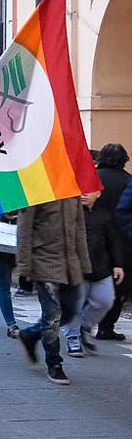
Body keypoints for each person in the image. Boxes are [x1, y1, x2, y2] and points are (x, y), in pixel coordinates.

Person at [16, 198, 91, 384]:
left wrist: (85, 264)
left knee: (69, 313)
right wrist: (24, 267)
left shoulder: (72, 191)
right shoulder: (36, 191)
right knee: (53, 316)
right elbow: (24, 230)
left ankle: (30, 334)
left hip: (70, 264)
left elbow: (80, 229)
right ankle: (54, 363)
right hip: (44, 261)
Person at [63, 147, 125, 356]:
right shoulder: (71, 214)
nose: (84, 194)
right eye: (81, 190)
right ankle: (73, 338)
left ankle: (86, 326)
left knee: (105, 300)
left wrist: (117, 264)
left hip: (101, 267)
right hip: (76, 267)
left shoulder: (104, 216)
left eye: (89, 191)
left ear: (99, 193)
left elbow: (113, 240)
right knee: (76, 303)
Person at [102, 146, 132, 341]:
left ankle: (83, 327)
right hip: (122, 241)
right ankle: (106, 326)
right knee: (120, 286)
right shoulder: (128, 180)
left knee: (93, 283)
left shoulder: (93, 178)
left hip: (94, 238)